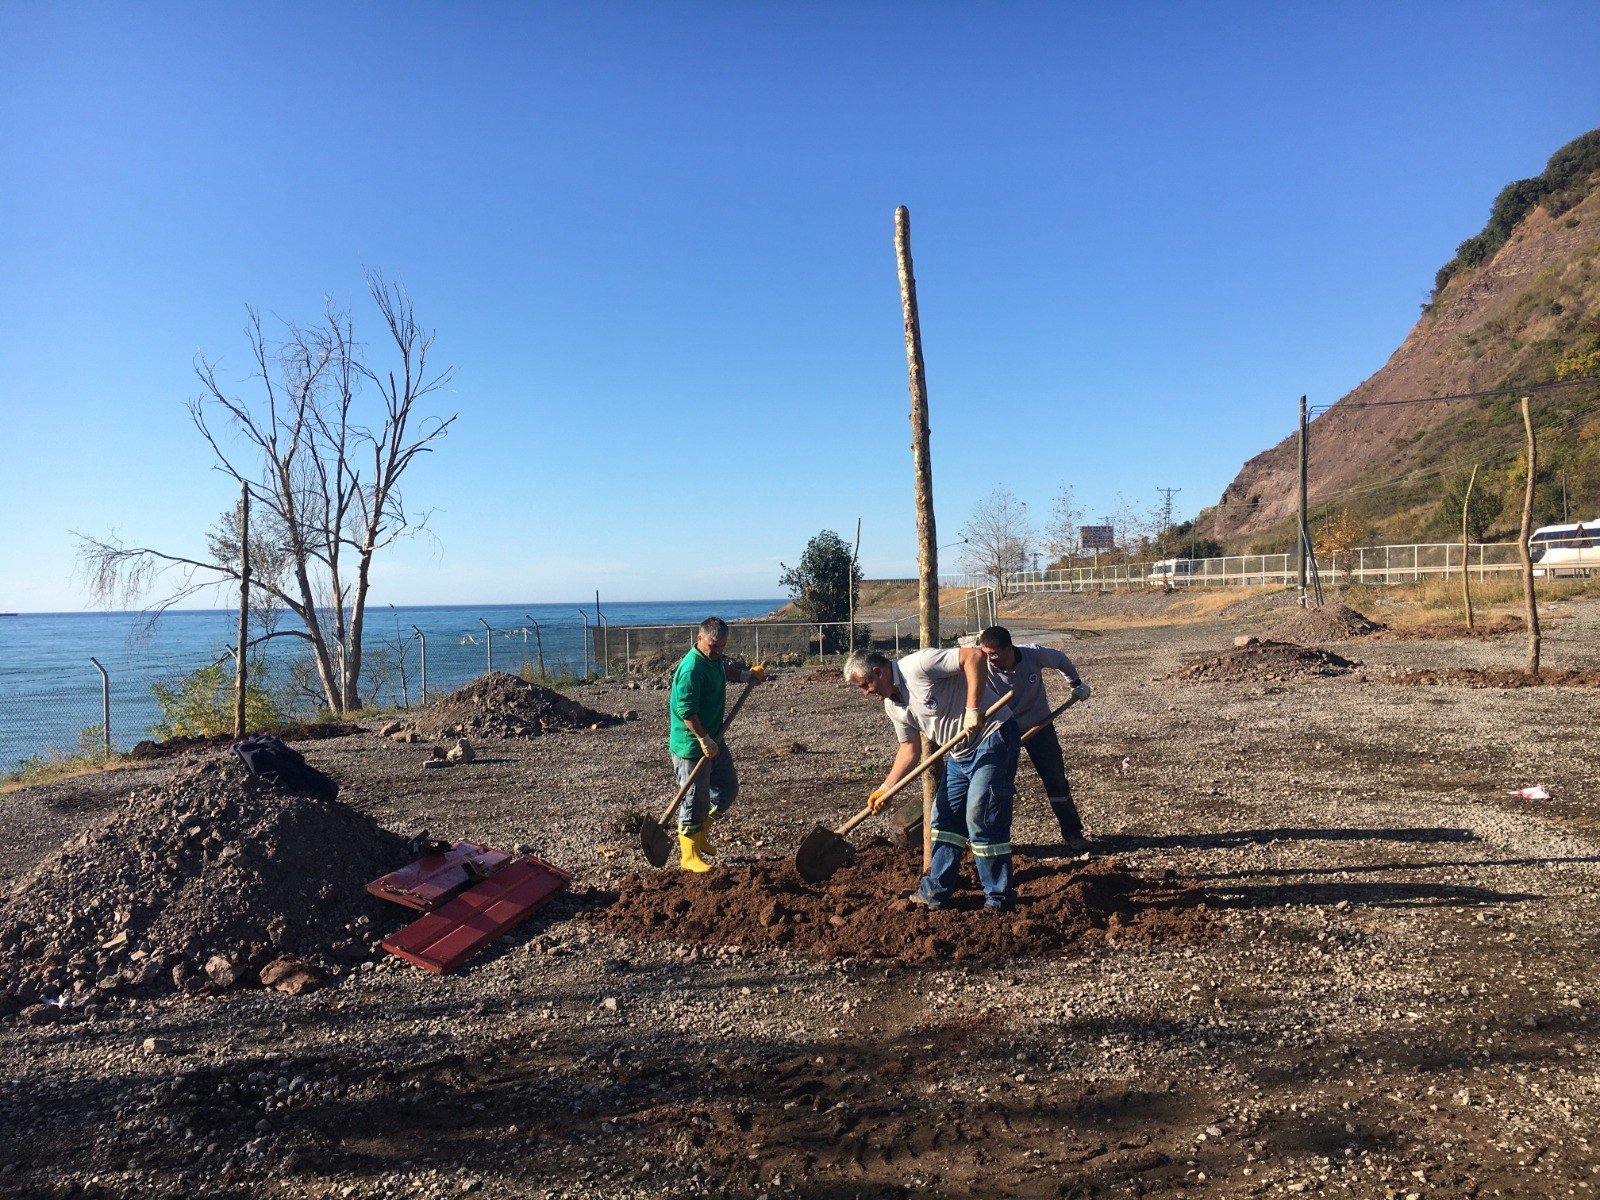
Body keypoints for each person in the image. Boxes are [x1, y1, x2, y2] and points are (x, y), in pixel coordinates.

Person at [841, 646, 1021, 912]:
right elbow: (909, 749)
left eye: (866, 685)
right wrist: (886, 788)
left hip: (993, 736)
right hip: (960, 752)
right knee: (944, 818)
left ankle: (999, 898)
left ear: (878, 672)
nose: (867, 693)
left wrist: (972, 709)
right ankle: (935, 892)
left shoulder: (918, 665)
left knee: (981, 815)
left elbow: (974, 657)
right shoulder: (894, 705)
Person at [976, 626, 1092, 855]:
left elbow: (1060, 659)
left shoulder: (1033, 655)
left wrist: (1076, 683)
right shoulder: (982, 666)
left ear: (1009, 648)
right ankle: (996, 841)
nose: (989, 659)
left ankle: (1073, 834)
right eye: (985, 654)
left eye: (994, 654)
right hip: (1002, 729)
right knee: (997, 785)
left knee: (1056, 779)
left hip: (1039, 726)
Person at [668, 617, 764, 872]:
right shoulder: (691, 669)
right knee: (694, 799)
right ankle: (688, 856)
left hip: (713, 738)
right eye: (713, 646)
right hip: (692, 744)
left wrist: (746, 675)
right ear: (699, 639)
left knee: (727, 789)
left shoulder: (714, 659)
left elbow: (723, 669)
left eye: (722, 647)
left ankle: (701, 837)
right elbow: (686, 711)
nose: (718, 652)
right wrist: (703, 739)